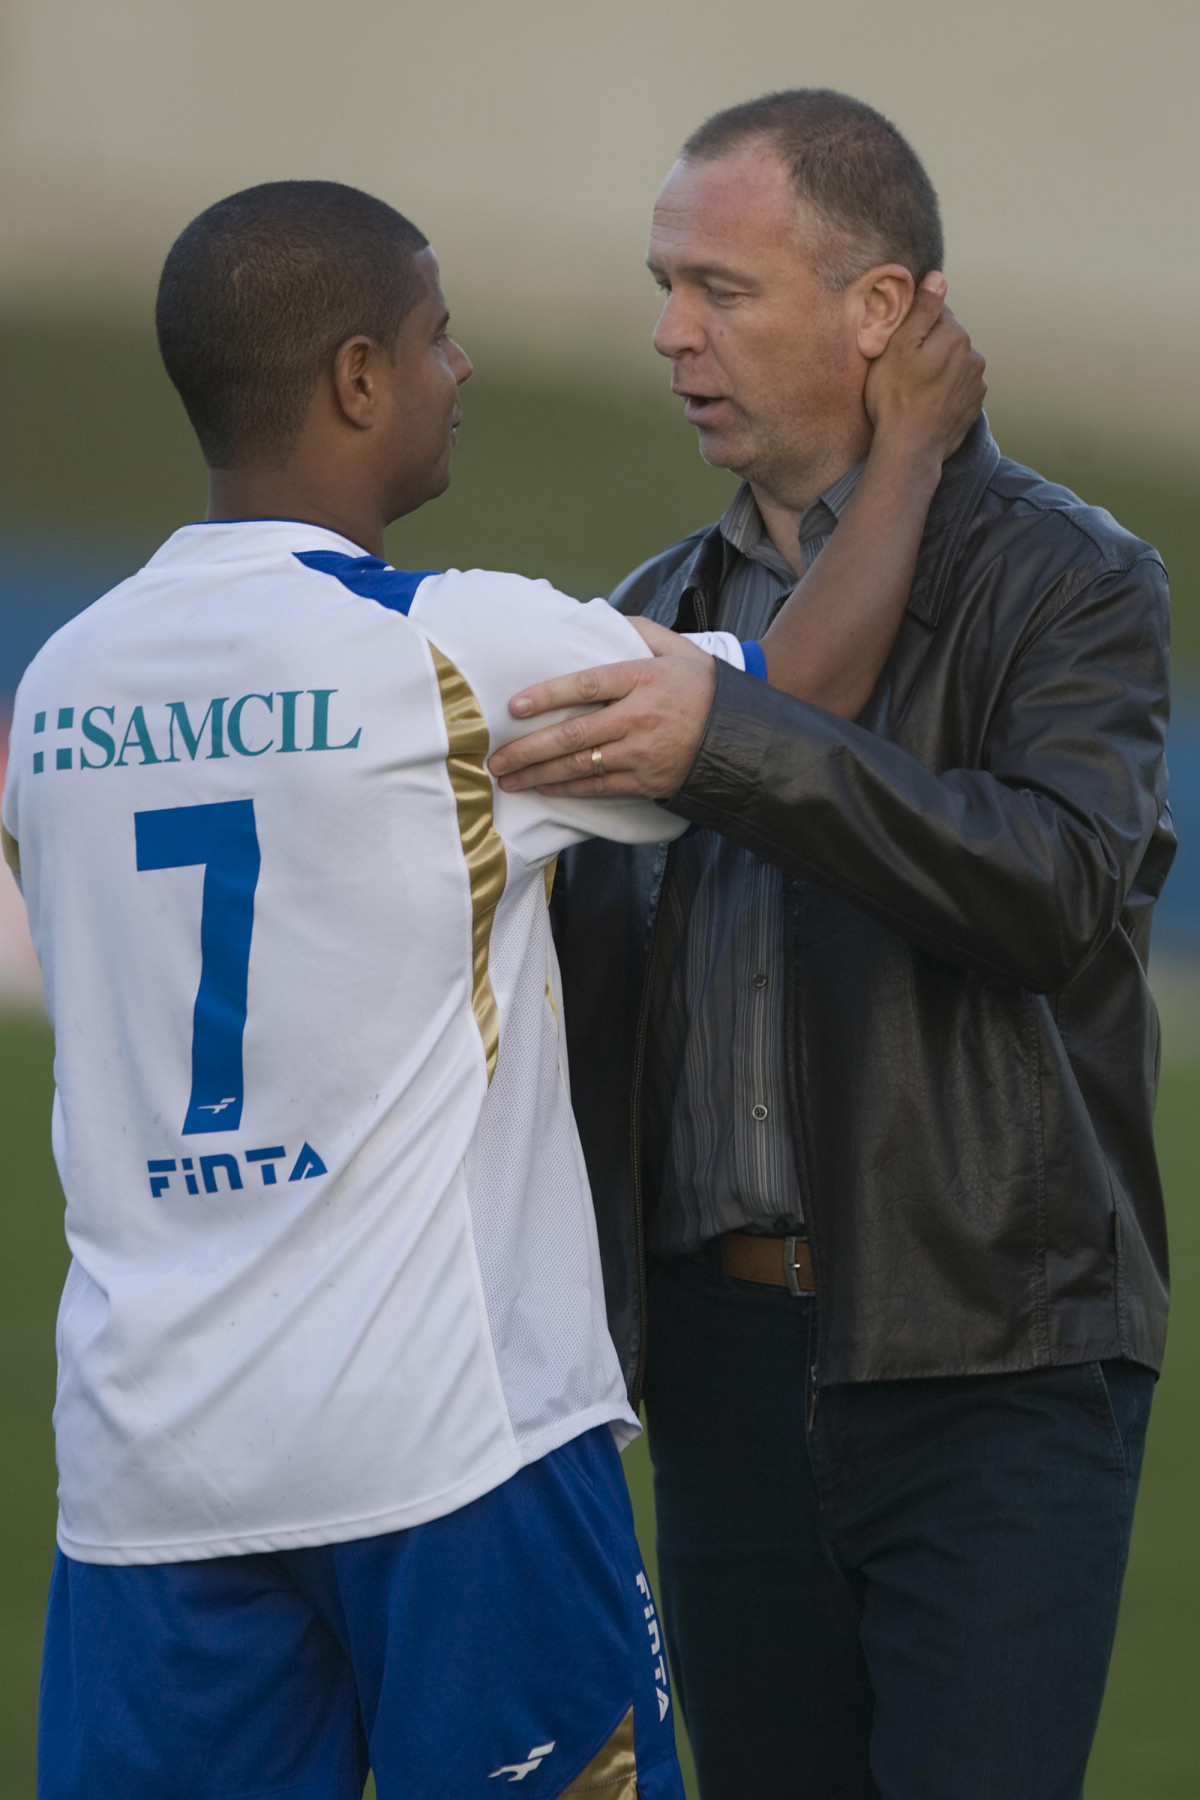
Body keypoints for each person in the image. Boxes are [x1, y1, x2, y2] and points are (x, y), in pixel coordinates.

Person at [1, 179, 982, 1799]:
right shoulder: (446, 651)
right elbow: (797, 703)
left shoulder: (59, 688)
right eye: (439, 338)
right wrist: (920, 454)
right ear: (356, 378)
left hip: (150, 1470)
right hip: (449, 1448)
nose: (464, 371)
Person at [490, 90, 1175, 1800]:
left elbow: (1051, 890)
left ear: (882, 312)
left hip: (993, 1357)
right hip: (717, 1374)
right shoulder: (647, 604)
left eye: (720, 289)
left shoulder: (1075, 581)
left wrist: (725, 743)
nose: (668, 334)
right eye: (666, 286)